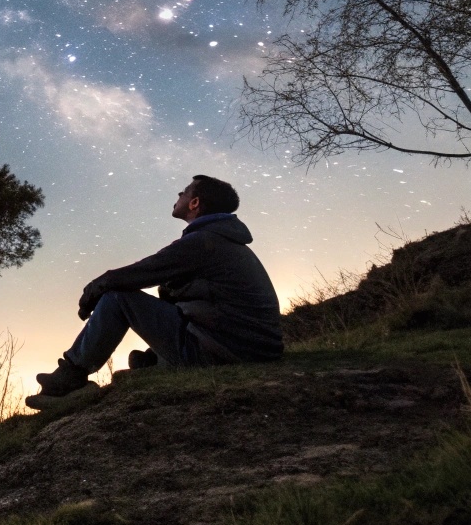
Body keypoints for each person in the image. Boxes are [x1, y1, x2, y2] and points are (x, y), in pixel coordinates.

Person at [26, 175, 282, 409]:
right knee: (167, 291)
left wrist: (95, 288)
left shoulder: (203, 242)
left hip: (226, 353)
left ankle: (71, 378)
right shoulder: (221, 241)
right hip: (250, 349)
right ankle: (156, 360)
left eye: (183, 192)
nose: (177, 196)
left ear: (194, 203)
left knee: (118, 297)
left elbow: (142, 272)